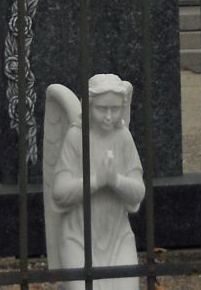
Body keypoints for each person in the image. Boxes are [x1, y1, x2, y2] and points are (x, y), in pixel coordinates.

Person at [46, 73, 146, 290]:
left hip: (118, 237)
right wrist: (97, 180)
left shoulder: (123, 138)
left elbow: (138, 191)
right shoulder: (75, 137)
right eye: (102, 109)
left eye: (115, 109)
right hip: (78, 238)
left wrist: (115, 180)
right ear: (89, 107)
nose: (109, 116)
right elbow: (59, 192)